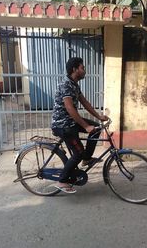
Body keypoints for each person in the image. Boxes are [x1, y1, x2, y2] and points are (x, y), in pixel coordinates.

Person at [51, 57, 108, 194]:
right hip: (63, 124)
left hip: (71, 122)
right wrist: (85, 126)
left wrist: (98, 116)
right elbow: (70, 109)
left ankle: (86, 159)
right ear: (74, 69)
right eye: (82, 68)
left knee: (96, 129)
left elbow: (85, 103)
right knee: (78, 153)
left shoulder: (74, 84)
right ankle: (62, 181)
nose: (84, 70)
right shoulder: (66, 85)